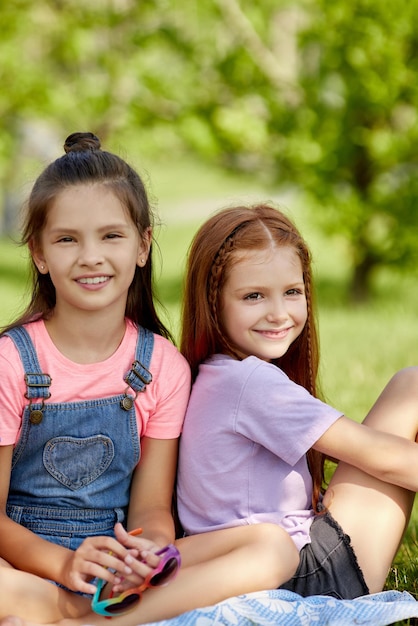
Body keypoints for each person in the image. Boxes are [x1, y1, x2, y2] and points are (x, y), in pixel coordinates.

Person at [0, 143, 298, 625]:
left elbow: (153, 507)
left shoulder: (161, 365)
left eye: (111, 236)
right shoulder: (11, 362)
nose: (91, 257)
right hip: (24, 565)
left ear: (142, 246)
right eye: (67, 240)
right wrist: (63, 564)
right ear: (38, 253)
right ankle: (66, 610)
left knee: (273, 547)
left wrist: (148, 549)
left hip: (117, 575)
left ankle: (91, 618)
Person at [177, 203, 418, 600]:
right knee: (411, 393)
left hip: (262, 565)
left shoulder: (215, 373)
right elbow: (382, 457)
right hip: (309, 579)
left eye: (291, 292)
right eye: (254, 296)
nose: (278, 313)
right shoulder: (250, 383)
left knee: (410, 385)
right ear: (213, 301)